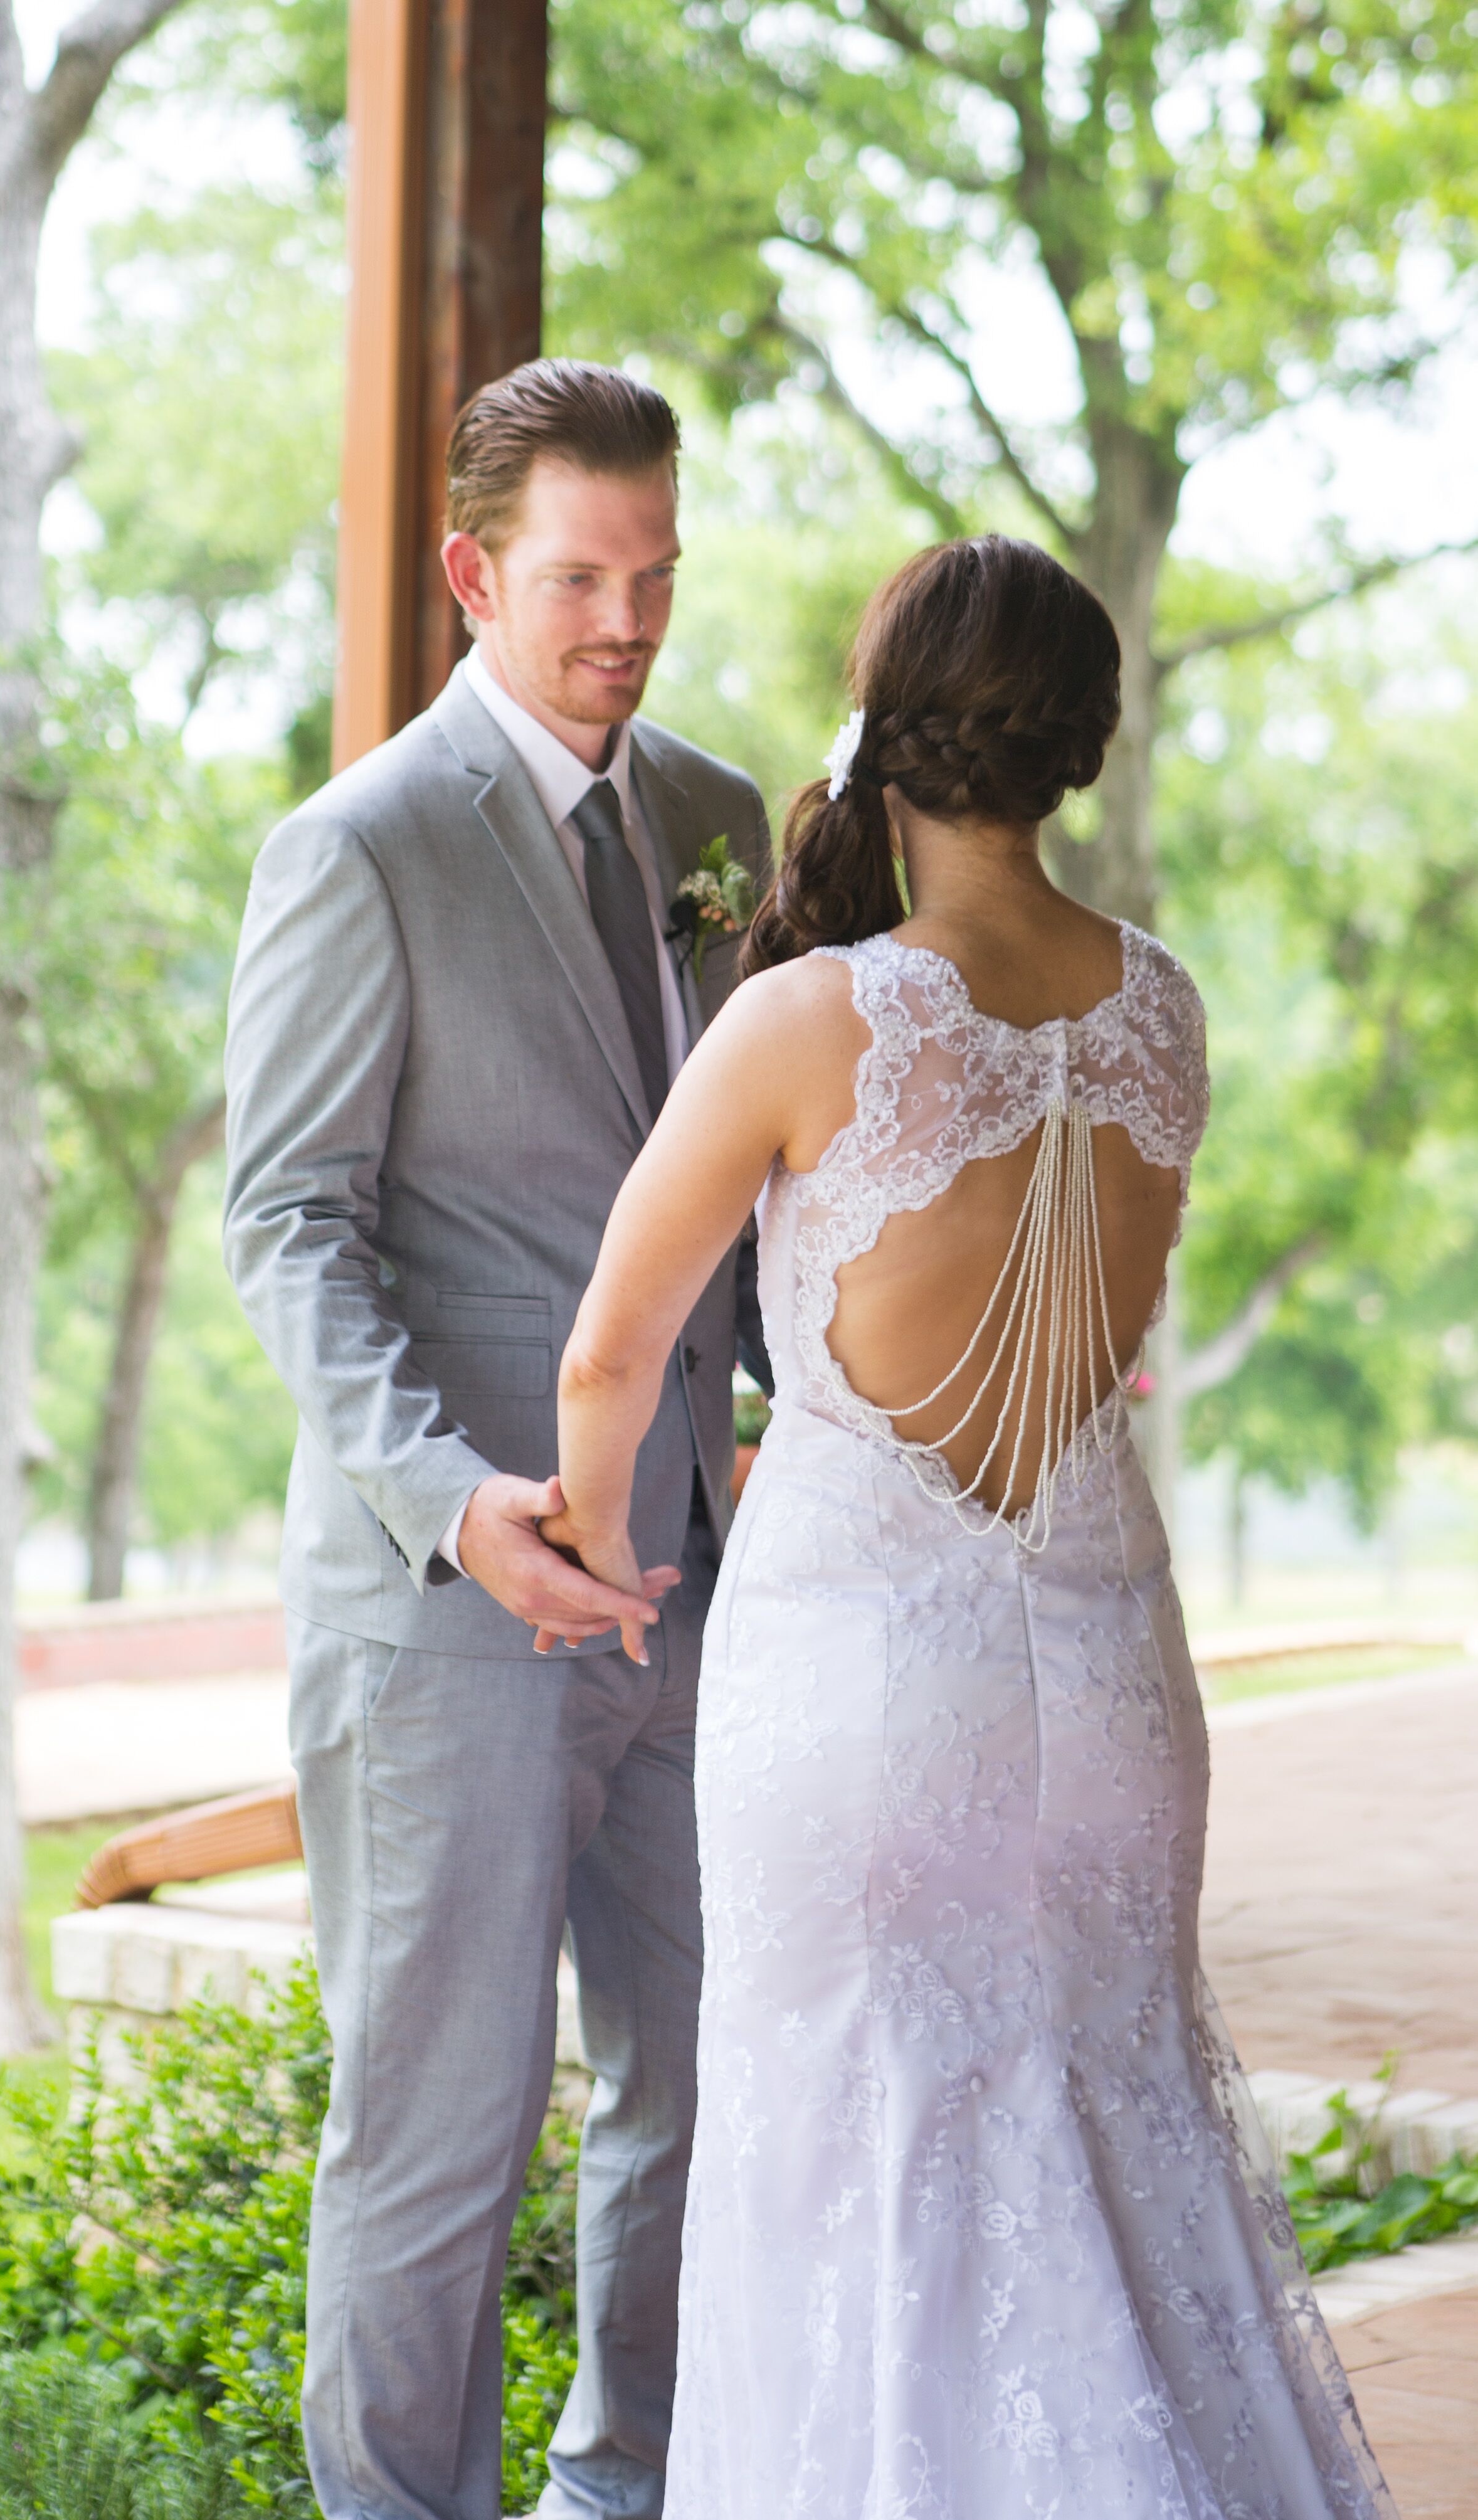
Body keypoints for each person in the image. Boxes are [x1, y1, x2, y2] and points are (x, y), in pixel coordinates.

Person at [542, 537, 1396, 2517]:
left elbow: (612, 1356)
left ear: (892, 727)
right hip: (1108, 1683)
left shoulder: (810, 1021)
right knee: (1113, 2161)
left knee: (856, 2176)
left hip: (859, 1700)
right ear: (1077, 743)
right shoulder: (1162, 1011)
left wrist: (592, 1558)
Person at [223, 361, 769, 2520]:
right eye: (577, 577)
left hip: (707, 1594)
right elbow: (289, 1225)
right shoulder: (355, 848)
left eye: (653, 572)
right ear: (474, 573)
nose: (625, 619)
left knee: (699, 2092)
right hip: (447, 1613)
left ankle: (626, 2487)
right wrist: (458, 1507)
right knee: (440, 2138)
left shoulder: (723, 824)